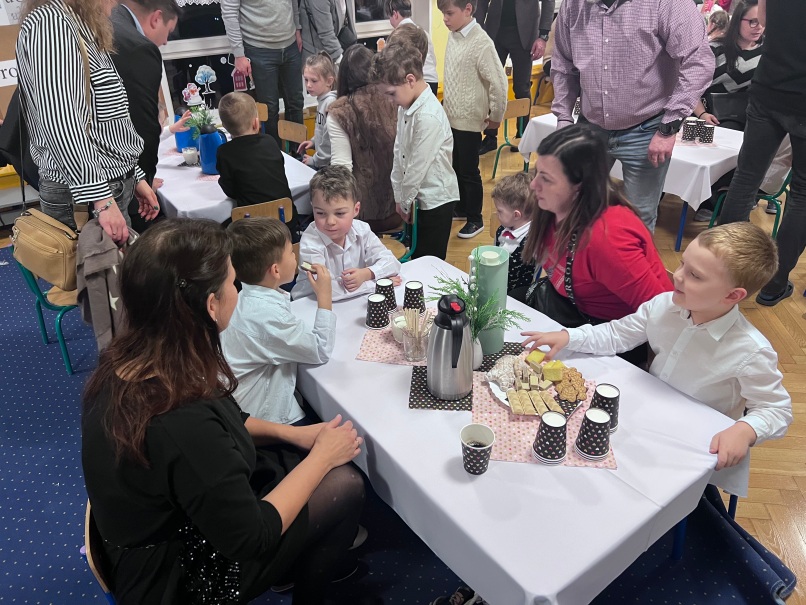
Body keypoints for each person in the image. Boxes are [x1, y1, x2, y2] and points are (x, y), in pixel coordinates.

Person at [81, 218, 366, 604]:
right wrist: (321, 458)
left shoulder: (137, 362)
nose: (238, 290)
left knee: (290, 462)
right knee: (346, 485)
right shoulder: (181, 420)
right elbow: (252, 537)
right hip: (182, 575)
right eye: (234, 283)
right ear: (212, 304)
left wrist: (293, 433)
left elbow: (228, 420)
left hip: (161, 527)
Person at [522, 222, 792, 496]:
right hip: (642, 422)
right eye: (683, 264)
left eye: (695, 275)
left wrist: (746, 430)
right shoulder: (664, 304)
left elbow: (776, 409)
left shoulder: (751, 351)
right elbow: (617, 334)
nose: (678, 276)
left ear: (732, 295)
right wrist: (569, 336)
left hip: (691, 447)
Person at [551, 0, 714, 232]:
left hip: (647, 127)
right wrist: (564, 118)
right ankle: (583, 254)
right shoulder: (573, 5)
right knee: (578, 204)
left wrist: (669, 126)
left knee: (639, 216)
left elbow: (698, 62)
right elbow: (563, 65)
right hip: (590, 125)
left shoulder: (666, 3)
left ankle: (626, 256)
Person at [521, 124, 672, 367]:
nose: (533, 185)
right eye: (537, 173)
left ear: (579, 187)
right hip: (569, 312)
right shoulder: (552, 208)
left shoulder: (608, 240)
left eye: (546, 179)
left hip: (607, 337)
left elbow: (664, 316)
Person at [17, 0, 160, 245]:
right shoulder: (53, 24)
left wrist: (134, 175)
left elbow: (105, 123)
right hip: (84, 198)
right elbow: (61, 122)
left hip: (102, 189)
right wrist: (101, 200)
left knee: (118, 268)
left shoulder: (75, 24)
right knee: (100, 271)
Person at [717, 0, 806, 307]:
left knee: (746, 179)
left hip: (769, 86)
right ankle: (774, 285)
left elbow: (765, 19)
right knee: (802, 195)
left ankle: (723, 268)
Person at [222, 218, 334, 425]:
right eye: (291, 252)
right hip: (265, 415)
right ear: (275, 270)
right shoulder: (268, 316)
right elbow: (320, 350)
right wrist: (325, 297)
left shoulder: (243, 297)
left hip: (241, 401)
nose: (295, 256)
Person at [372, 41, 459, 260]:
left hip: (436, 201)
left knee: (429, 261)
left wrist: (404, 201)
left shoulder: (428, 116)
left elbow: (417, 167)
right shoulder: (406, 105)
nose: (390, 101)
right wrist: (400, 196)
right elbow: (399, 152)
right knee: (416, 256)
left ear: (410, 80)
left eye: (391, 94)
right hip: (416, 197)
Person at [110, 0, 185, 232]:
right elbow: (143, 126)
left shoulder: (111, 21)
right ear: (156, 18)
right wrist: (144, 178)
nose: (165, 41)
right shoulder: (137, 47)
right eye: (168, 32)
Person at [438, 0, 508, 240]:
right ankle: (461, 208)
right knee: (455, 167)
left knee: (469, 171)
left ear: (467, 9)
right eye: (443, 14)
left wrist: (496, 116)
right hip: (451, 119)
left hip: (469, 121)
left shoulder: (482, 42)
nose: (445, 19)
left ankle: (475, 219)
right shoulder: (454, 36)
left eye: (449, 13)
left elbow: (498, 84)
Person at [691, 0, 764, 223]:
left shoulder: (767, 53)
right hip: (707, 114)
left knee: (752, 148)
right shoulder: (714, 48)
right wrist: (702, 114)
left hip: (748, 119)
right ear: (738, 20)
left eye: (762, 22)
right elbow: (691, 86)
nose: (758, 27)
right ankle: (705, 200)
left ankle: (722, 201)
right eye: (752, 22)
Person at [291, 165, 402, 301]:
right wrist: (378, 285)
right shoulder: (310, 242)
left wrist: (367, 273)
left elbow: (392, 263)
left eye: (339, 213)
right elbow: (328, 290)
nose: (330, 221)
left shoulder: (362, 230)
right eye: (320, 213)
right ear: (312, 207)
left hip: (352, 300)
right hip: (310, 303)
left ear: (356, 209)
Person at [327, 45, 401, 233]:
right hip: (402, 210)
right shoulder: (395, 96)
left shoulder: (339, 112)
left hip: (362, 218)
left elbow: (342, 169)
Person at [221, 0, 304, 146]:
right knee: (269, 109)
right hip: (259, 49)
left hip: (290, 45)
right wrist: (239, 54)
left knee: (295, 103)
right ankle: (273, 154)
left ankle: (298, 153)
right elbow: (229, 12)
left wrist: (297, 28)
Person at [476, 0, 555, 154]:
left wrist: (543, 36)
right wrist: (478, 28)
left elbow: (548, 2)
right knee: (491, 86)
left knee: (521, 88)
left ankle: (523, 136)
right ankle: (490, 137)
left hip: (525, 34)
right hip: (495, 31)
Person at [216, 92, 299, 235]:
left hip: (251, 230)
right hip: (287, 221)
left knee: (220, 227)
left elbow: (230, 191)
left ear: (224, 126)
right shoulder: (269, 141)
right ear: (256, 123)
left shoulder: (224, 152)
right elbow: (279, 167)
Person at [492, 172, 534, 293]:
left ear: (516, 215)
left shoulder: (532, 241)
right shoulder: (502, 229)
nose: (496, 214)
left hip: (517, 295)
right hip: (496, 283)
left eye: (500, 211)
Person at [387, 0, 439, 95]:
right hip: (433, 80)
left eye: (389, 17)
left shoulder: (399, 35)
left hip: (417, 82)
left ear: (395, 14)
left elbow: (396, 66)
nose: (390, 21)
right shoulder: (422, 31)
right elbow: (433, 60)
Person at [298, 52, 337, 169]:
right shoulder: (322, 100)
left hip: (329, 167)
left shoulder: (330, 103)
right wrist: (314, 142)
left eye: (314, 81)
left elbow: (329, 142)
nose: (308, 85)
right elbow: (321, 130)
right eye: (306, 80)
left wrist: (315, 160)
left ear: (329, 81)